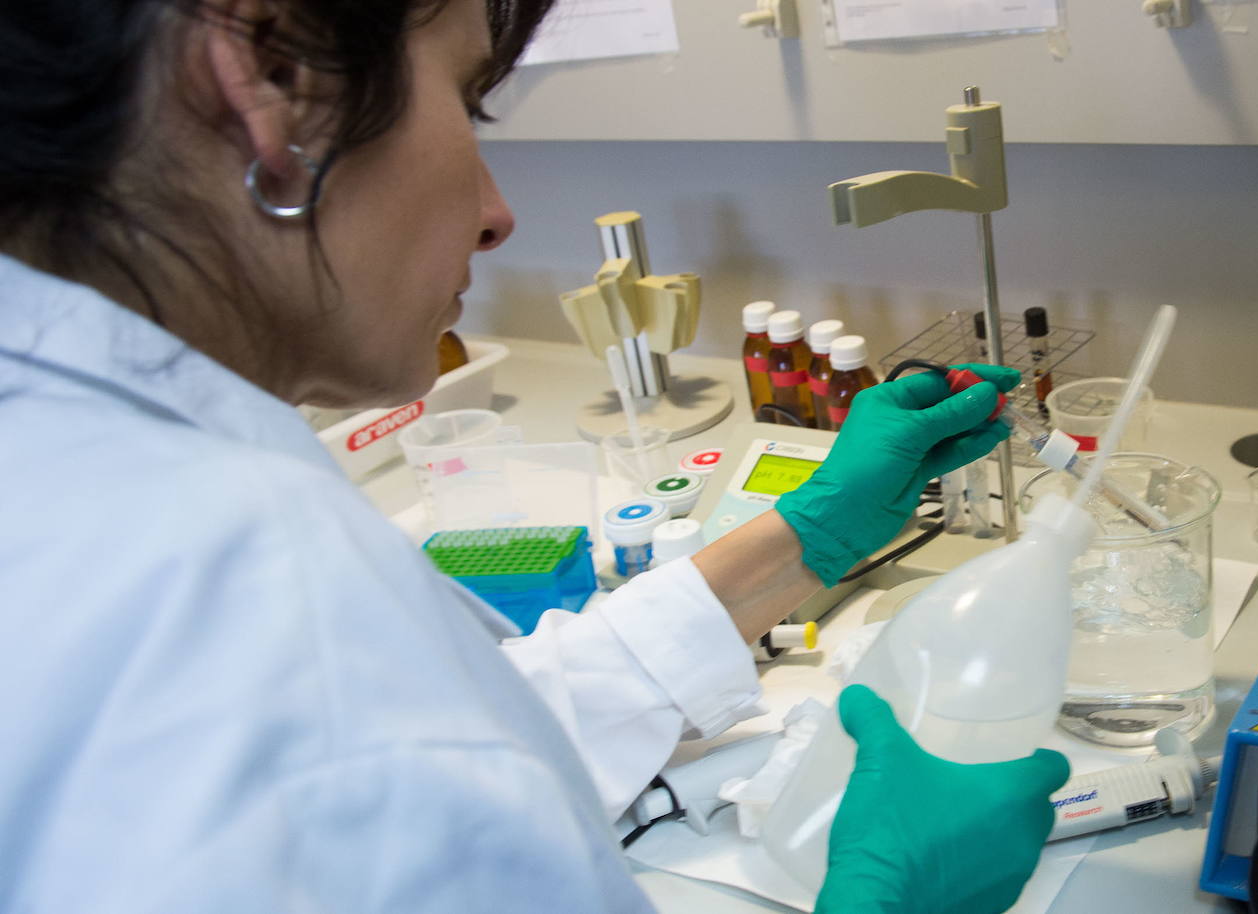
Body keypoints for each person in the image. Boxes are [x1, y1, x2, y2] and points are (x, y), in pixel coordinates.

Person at [0, 1, 1067, 911]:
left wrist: (808, 531)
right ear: (268, 77)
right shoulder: (251, 595)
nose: (498, 217)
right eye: (464, 100)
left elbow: (469, 735)